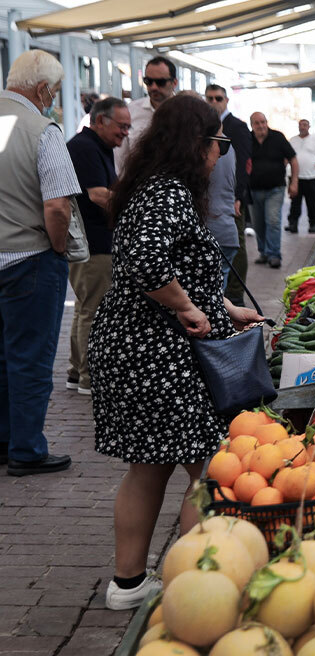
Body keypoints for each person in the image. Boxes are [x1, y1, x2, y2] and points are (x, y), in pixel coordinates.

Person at [90, 94, 263, 610]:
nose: (221, 154)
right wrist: (187, 307)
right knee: (209, 469)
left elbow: (170, 260)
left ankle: (128, 584)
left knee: (147, 467)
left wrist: (224, 307)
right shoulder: (167, 193)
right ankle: (198, 587)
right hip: (156, 355)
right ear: (198, 144)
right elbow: (145, 262)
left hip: (133, 349)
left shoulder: (153, 188)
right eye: (220, 143)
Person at [0, 50, 78, 477]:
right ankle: (27, 449)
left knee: (1, 356)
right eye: (55, 90)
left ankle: (3, 439)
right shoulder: (42, 129)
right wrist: (59, 248)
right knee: (30, 357)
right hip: (30, 258)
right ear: (44, 89)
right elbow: (57, 206)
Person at [65, 97, 130, 396]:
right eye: (121, 126)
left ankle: (76, 372)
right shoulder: (85, 148)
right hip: (92, 244)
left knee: (84, 308)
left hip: (95, 242)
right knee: (93, 311)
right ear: (101, 120)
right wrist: (134, 213)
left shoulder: (98, 147)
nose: (125, 133)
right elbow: (98, 195)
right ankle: (89, 377)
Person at [205, 84, 251, 305]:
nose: (214, 102)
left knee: (236, 247)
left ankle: (235, 294)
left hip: (227, 208)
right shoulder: (207, 135)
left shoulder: (236, 129)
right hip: (218, 218)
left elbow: (243, 166)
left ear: (226, 100)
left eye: (218, 98)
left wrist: (238, 196)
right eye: (209, 98)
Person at [248, 112, 298, 268]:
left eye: (263, 121)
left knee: (273, 220)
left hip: (275, 188)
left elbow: (293, 159)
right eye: (257, 123)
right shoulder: (247, 139)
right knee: (258, 225)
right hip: (253, 190)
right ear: (252, 125)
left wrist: (294, 182)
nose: (261, 125)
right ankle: (264, 252)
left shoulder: (278, 137)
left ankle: (274, 254)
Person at [113, 56, 177, 173]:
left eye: (160, 82)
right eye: (148, 81)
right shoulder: (131, 111)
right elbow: (120, 157)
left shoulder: (186, 113)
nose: (153, 87)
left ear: (174, 83)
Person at [287, 118, 315, 234]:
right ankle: (293, 223)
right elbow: (287, 156)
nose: (302, 127)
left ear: (309, 126)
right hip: (296, 177)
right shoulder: (293, 140)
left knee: (313, 203)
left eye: (305, 125)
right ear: (298, 126)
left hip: (312, 177)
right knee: (295, 202)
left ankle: (313, 224)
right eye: (301, 125)